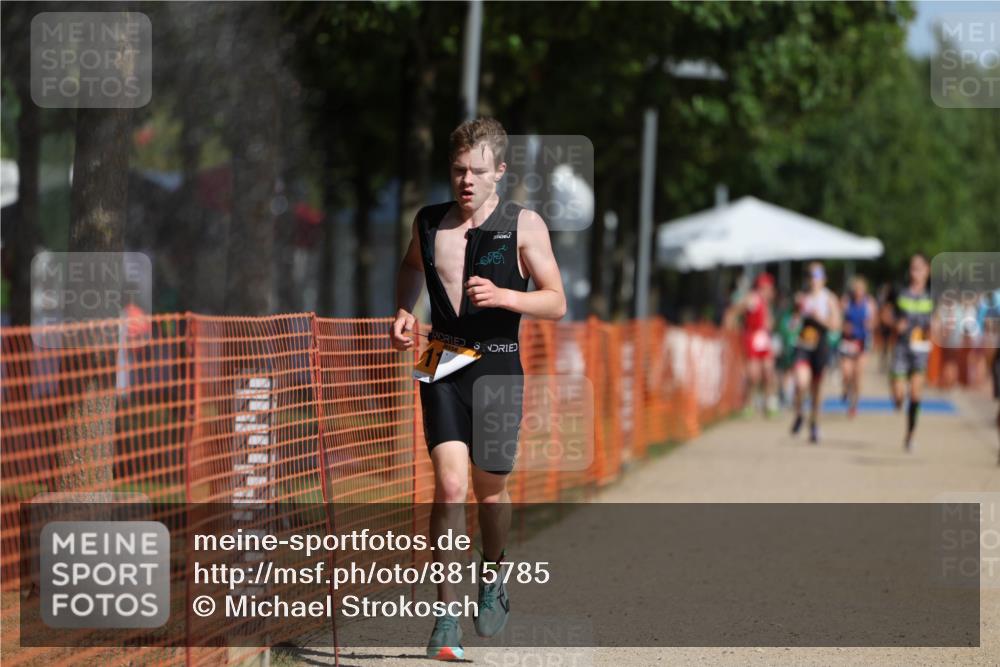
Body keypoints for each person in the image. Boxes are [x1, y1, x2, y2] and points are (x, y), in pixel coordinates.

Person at [391, 117, 567, 660]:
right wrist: (402, 310)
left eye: (478, 171)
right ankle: (445, 617)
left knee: (490, 491)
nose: (466, 180)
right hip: (438, 356)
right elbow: (409, 268)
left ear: (500, 173)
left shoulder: (524, 225)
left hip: (497, 363)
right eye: (459, 170)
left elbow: (556, 301)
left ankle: (492, 576)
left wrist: (506, 297)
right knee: (448, 487)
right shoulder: (428, 222)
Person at [790, 262, 841, 444]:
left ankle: (814, 423)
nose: (813, 280)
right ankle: (799, 414)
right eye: (810, 276)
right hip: (804, 345)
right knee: (800, 381)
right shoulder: (802, 298)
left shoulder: (829, 299)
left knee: (817, 389)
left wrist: (819, 317)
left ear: (823, 279)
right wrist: (797, 313)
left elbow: (836, 325)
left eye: (816, 276)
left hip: (821, 346)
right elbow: (793, 325)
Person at [890, 253, 935, 452]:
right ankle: (899, 399)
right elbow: (885, 314)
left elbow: (940, 321)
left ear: (927, 271)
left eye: (919, 268)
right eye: (912, 268)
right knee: (900, 395)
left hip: (920, 349)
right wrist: (894, 324)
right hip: (901, 348)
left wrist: (935, 328)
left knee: (916, 394)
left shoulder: (933, 295)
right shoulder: (900, 292)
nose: (915, 272)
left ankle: (910, 435)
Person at [728, 272, 778, 416]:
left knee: (769, 372)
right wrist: (732, 326)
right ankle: (748, 403)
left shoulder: (766, 302)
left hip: (764, 339)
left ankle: (769, 404)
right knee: (753, 374)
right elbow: (735, 311)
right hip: (752, 338)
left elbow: (769, 323)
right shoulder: (753, 298)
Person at [839, 276, 876, 418]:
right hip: (848, 341)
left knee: (858, 374)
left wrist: (870, 325)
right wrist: (844, 327)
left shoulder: (869, 303)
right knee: (847, 372)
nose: (858, 292)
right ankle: (845, 389)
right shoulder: (846, 301)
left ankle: (854, 404)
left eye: (861, 290)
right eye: (856, 290)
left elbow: (874, 322)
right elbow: (838, 319)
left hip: (862, 341)